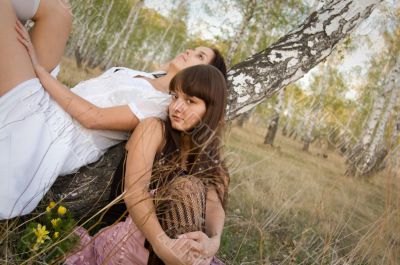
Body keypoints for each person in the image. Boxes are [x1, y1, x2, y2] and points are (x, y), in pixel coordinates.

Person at [0, 0, 227, 220]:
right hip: (51, 99)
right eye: (194, 49)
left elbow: (93, 118)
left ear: (204, 77)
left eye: (200, 56)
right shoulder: (151, 76)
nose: (189, 51)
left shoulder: (161, 103)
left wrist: (40, 72)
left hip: (52, 130)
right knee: (59, 11)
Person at [65, 64, 229, 265]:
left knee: (195, 187)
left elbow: (214, 205)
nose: (176, 107)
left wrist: (213, 242)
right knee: (188, 186)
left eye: (190, 101)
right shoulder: (154, 129)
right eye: (175, 96)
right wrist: (162, 245)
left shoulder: (211, 161)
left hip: (180, 250)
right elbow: (135, 191)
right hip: (129, 241)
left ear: (211, 110)